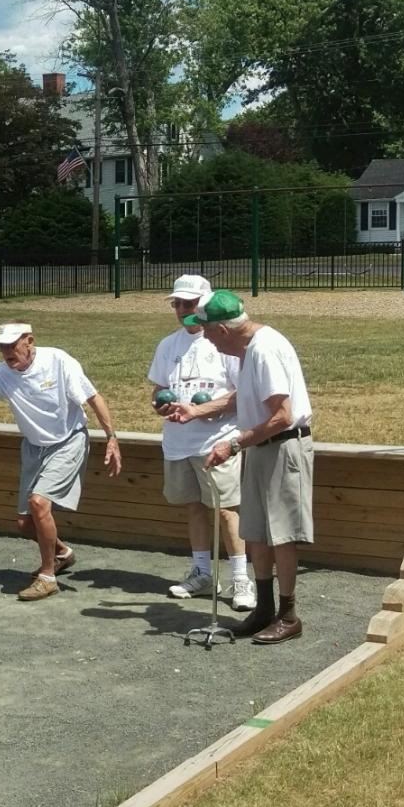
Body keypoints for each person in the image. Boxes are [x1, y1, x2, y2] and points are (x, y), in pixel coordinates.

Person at [0, 321, 121, 600]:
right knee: (24, 524)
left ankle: (48, 577)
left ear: (29, 341)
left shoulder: (58, 360)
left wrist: (112, 438)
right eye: (1, 347)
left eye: (12, 345)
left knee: (39, 503)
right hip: (33, 448)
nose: (7, 352)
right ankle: (62, 553)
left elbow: (93, 398)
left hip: (68, 441)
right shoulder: (2, 373)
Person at [184, 290, 314, 644]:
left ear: (223, 330)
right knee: (256, 532)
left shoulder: (265, 349)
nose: (206, 338)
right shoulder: (249, 350)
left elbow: (282, 415)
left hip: (282, 448)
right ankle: (264, 609)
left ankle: (288, 615)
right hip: (260, 448)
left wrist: (234, 443)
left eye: (207, 331)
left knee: (282, 535)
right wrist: (196, 411)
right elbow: (244, 398)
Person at [148, 273, 255, 612]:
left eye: (189, 304)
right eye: (177, 303)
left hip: (217, 441)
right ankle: (203, 572)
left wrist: (201, 410)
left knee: (225, 510)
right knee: (193, 507)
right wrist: (161, 405)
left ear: (204, 304)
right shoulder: (168, 345)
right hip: (178, 443)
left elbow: (245, 393)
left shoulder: (222, 340)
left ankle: (241, 577)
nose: (181, 309)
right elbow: (157, 390)